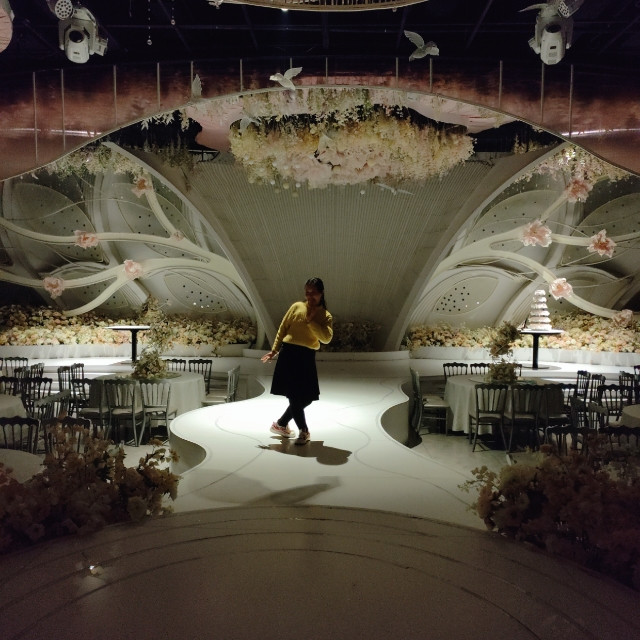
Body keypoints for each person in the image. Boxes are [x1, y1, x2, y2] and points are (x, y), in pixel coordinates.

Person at [261, 277, 333, 445]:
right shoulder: (296, 307)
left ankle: (280, 424)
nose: (309, 296)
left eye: (313, 292)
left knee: (307, 397)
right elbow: (283, 328)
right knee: (293, 394)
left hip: (306, 356)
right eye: (307, 292)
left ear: (321, 293)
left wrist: (311, 321)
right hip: (289, 353)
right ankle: (304, 430)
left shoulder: (325, 315)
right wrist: (274, 350)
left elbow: (326, 338)